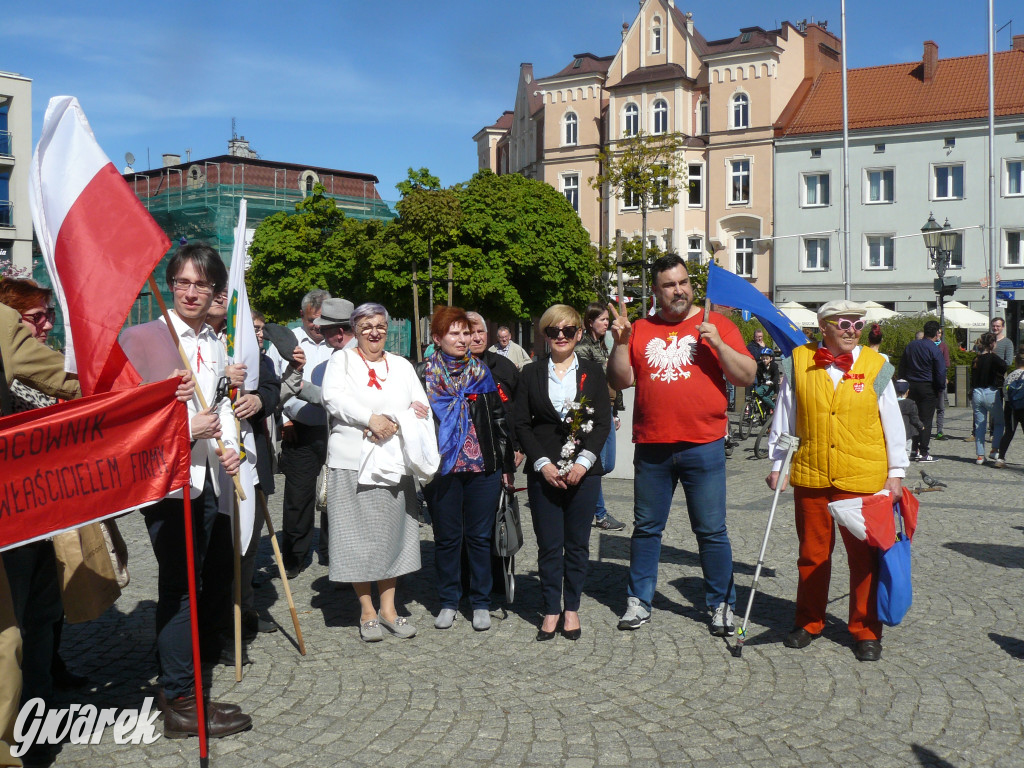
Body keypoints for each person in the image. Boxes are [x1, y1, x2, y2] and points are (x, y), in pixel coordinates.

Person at [119, 243, 251, 738]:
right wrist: (179, 426)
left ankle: (191, 685)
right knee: (179, 591)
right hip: (168, 484)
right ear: (169, 284)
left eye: (202, 285)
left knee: (207, 586)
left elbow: (218, 409)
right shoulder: (142, 338)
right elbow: (121, 418)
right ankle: (179, 701)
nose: (191, 292)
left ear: (216, 291)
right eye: (182, 282)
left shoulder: (214, 342)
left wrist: (233, 447)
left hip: (212, 480)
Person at [607, 253, 756, 635]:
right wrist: (621, 342)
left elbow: (747, 376)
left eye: (684, 282)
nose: (679, 290)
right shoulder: (639, 327)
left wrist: (720, 345)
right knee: (646, 528)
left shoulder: (716, 324)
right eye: (670, 284)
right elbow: (620, 380)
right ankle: (639, 600)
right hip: (653, 446)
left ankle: (722, 603)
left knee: (710, 530)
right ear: (656, 291)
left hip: (702, 445)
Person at [767, 300, 908, 662]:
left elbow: (892, 421)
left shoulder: (877, 366)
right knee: (812, 555)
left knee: (864, 559)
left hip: (862, 478)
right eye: (844, 323)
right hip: (812, 475)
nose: (852, 330)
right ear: (823, 326)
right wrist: (778, 464)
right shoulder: (798, 361)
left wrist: (896, 473)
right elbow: (786, 417)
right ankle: (809, 620)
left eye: (858, 324)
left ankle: (865, 630)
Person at [0, 297, 84, 767]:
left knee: (38, 616)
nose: (45, 324)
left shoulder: (9, 333)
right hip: (17, 511)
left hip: (30, 511)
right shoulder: (5, 326)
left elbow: (67, 388)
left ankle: (33, 722)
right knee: (11, 631)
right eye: (36, 316)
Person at [320, 303, 434, 642]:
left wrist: (393, 421)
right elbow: (333, 398)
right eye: (367, 325)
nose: (374, 332)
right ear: (355, 329)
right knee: (356, 537)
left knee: (391, 535)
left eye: (381, 326)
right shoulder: (341, 360)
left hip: (393, 462)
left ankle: (389, 608)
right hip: (351, 460)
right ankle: (366, 610)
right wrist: (371, 420)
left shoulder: (400, 365)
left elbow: (420, 405)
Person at [515, 305, 610, 640]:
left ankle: (572, 609)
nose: (560, 337)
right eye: (553, 331)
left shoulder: (593, 372)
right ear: (544, 335)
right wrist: (542, 463)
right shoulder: (530, 373)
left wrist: (583, 463)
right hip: (545, 472)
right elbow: (522, 424)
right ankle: (550, 610)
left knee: (578, 544)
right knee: (549, 545)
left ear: (578, 334)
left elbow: (601, 424)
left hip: (584, 472)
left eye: (567, 331)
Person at [422, 307, 514, 631]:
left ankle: (480, 602)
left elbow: (499, 420)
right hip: (442, 468)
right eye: (455, 333)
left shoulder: (481, 373)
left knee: (478, 537)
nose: (464, 339)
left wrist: (505, 464)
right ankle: (448, 600)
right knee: (447, 538)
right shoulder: (424, 376)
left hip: (482, 467)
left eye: (466, 333)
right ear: (437, 338)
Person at [269, 289, 334, 577]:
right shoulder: (287, 341)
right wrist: (283, 419)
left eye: (322, 320)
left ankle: (333, 553)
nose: (317, 327)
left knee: (335, 494)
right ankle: (295, 556)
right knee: (299, 495)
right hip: (299, 428)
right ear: (302, 317)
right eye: (311, 321)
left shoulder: (339, 340)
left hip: (336, 429)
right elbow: (272, 382)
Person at [232, 310, 281, 642]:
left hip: (253, 461)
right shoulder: (223, 356)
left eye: (261, 330)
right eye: (252, 330)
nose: (259, 335)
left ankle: (245, 608)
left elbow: (273, 391)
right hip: (220, 463)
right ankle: (220, 616)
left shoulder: (262, 360)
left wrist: (260, 398)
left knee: (249, 544)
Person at [575, 302, 625, 532]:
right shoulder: (583, 348)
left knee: (607, 464)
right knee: (595, 463)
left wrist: (615, 412)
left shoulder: (604, 345)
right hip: (592, 414)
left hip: (607, 410)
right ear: (590, 322)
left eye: (607, 319)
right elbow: (589, 384)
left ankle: (587, 503)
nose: (607, 323)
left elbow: (613, 379)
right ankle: (599, 513)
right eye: (603, 319)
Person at [898, 320, 945, 462]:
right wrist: (940, 387)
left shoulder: (911, 345)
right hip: (927, 387)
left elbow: (902, 366)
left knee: (913, 417)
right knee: (926, 419)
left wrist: (904, 383)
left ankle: (913, 449)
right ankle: (924, 452)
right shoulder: (934, 349)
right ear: (937, 334)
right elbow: (940, 371)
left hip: (911, 386)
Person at [971, 332, 1007, 465]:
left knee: (979, 425)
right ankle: (994, 449)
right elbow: (1004, 365)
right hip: (990, 392)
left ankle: (980, 456)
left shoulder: (976, 358)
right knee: (999, 422)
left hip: (977, 393)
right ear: (992, 344)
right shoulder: (993, 357)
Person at [994, 344, 1024, 468]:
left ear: (1016, 362)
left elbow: (1005, 393)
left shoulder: (1010, 376)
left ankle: (1000, 459)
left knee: (1008, 433)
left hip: (1011, 408)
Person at [896, 380, 924, 456]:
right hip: (907, 432)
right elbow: (914, 418)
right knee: (906, 450)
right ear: (907, 391)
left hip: (894, 432)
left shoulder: (892, 402)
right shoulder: (910, 403)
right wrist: (920, 425)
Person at [933, 328, 951, 439]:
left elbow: (946, 363)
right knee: (929, 407)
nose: (938, 334)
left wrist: (944, 376)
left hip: (940, 378)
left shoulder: (943, 346)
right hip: (929, 379)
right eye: (937, 332)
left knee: (940, 407)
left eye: (939, 332)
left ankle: (939, 431)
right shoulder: (928, 345)